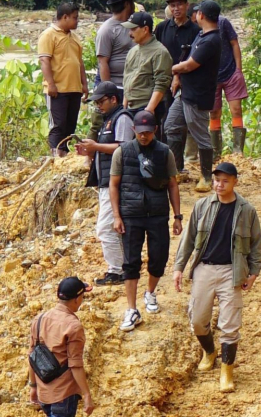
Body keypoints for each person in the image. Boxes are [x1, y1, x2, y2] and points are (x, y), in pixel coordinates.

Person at [172, 162, 261, 393]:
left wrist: (253, 273)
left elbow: (256, 244)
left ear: (235, 182)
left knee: (230, 324)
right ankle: (209, 351)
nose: (219, 185)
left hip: (231, 272)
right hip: (204, 268)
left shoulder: (246, 210)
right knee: (197, 320)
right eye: (216, 180)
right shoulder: (202, 206)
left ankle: (227, 370)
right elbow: (189, 239)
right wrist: (178, 267)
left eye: (225, 181)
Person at [110, 111, 183, 331]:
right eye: (140, 132)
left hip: (158, 213)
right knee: (131, 262)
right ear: (134, 131)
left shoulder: (164, 153)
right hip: (131, 215)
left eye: (148, 132)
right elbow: (113, 184)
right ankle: (131, 309)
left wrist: (177, 216)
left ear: (155, 131)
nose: (144, 136)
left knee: (158, 258)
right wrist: (116, 216)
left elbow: (172, 184)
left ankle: (150, 293)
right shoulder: (122, 153)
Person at [77, 82, 135, 286]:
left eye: (102, 101)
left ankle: (117, 270)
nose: (99, 106)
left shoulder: (123, 118)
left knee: (105, 227)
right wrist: (90, 150)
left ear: (114, 99)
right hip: (106, 182)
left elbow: (125, 147)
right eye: (97, 103)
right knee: (112, 227)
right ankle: (120, 268)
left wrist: (96, 146)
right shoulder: (108, 120)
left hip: (118, 182)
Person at [165, 0, 224, 193]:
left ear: (202, 15)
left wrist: (167, 69)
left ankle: (207, 176)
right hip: (186, 92)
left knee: (200, 136)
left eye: (197, 12)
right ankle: (176, 170)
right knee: (171, 125)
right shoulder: (202, 35)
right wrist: (177, 75)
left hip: (198, 94)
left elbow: (190, 65)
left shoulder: (212, 40)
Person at [28, 277, 95, 416]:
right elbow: (75, 364)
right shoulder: (73, 326)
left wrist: (33, 386)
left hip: (44, 393)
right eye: (82, 296)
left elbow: (32, 356)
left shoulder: (39, 319)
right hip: (64, 394)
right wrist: (87, 395)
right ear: (76, 299)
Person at [154, 0, 202, 162]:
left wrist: (178, 76)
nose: (176, 8)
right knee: (162, 119)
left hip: (187, 83)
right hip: (162, 82)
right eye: (172, 5)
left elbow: (195, 59)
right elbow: (155, 52)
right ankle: (163, 160)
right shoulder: (162, 28)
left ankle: (178, 162)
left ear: (187, 5)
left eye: (180, 4)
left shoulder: (196, 30)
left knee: (180, 123)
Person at [38, 2, 89, 158]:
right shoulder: (48, 35)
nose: (77, 21)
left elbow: (79, 62)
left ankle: (65, 154)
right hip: (58, 90)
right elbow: (44, 61)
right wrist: (51, 85)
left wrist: (84, 84)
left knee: (70, 125)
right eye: (75, 18)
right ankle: (55, 156)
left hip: (74, 88)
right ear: (65, 17)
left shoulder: (75, 38)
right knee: (58, 125)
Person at [121, 11, 173, 141]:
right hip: (131, 107)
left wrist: (149, 110)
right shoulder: (132, 51)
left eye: (133, 29)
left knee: (150, 148)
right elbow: (127, 77)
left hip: (148, 107)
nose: (130, 33)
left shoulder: (160, 52)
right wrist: (124, 106)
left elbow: (161, 83)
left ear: (145, 29)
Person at [209, 16, 249, 159]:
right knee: (214, 113)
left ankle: (238, 152)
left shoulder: (223, 22)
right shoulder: (198, 27)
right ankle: (215, 153)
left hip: (231, 72)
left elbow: (234, 43)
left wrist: (239, 69)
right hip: (212, 77)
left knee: (236, 109)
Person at [96, 0, 137, 103]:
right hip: (118, 87)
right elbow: (102, 63)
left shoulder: (133, 25)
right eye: (132, 2)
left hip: (135, 87)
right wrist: (109, 93)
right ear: (127, 4)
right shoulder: (107, 30)